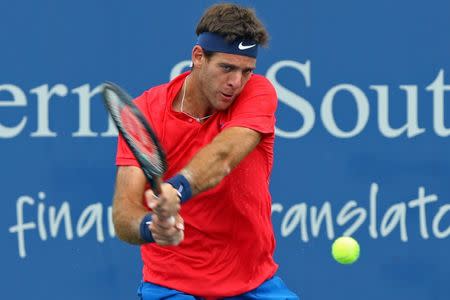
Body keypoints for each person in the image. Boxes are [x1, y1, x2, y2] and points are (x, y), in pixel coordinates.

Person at [112, 3, 299, 299]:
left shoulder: (258, 92)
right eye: (226, 68)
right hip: (172, 286)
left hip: (253, 283)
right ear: (198, 57)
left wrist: (176, 190)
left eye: (245, 71)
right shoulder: (147, 111)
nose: (236, 82)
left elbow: (224, 156)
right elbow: (123, 214)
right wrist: (152, 226)